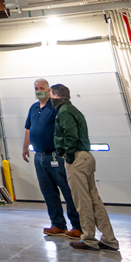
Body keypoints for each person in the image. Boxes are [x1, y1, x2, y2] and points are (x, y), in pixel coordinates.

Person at [52, 83, 119, 251]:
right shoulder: (73, 110)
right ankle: (109, 240)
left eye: (51, 95)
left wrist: (68, 156)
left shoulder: (64, 112)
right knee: (94, 201)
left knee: (82, 201)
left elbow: (70, 134)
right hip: (85, 158)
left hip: (77, 159)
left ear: (57, 97)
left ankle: (88, 238)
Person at [23, 78, 81, 238]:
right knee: (48, 191)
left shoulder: (55, 107)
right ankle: (58, 224)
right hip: (39, 156)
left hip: (56, 156)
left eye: (41, 88)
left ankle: (77, 225)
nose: (38, 90)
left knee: (67, 190)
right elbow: (28, 128)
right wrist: (25, 147)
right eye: (36, 88)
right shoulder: (33, 108)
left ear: (49, 91)